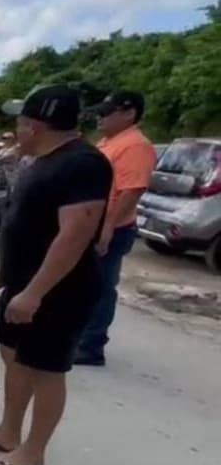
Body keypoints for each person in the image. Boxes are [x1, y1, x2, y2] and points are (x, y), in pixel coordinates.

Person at [0, 85, 111, 465]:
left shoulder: (83, 163)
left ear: (36, 126)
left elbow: (75, 234)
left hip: (58, 290)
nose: (16, 129)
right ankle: (9, 432)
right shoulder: (42, 160)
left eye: (21, 122)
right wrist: (9, 272)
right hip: (23, 283)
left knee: (45, 368)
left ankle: (33, 454)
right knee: (13, 355)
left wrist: (35, 292)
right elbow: (31, 223)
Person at [75, 90, 157, 366]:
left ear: (129, 113)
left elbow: (131, 191)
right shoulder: (109, 142)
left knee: (100, 286)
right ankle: (80, 337)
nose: (100, 118)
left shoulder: (135, 146)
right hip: (93, 225)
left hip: (111, 228)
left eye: (106, 113)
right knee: (85, 284)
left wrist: (107, 228)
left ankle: (91, 346)